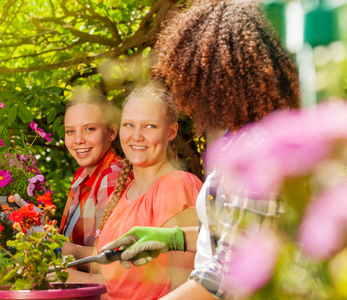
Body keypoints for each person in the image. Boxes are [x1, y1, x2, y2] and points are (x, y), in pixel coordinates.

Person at [101, 0, 300, 299]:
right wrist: (174, 238)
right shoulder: (242, 139)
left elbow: (224, 278)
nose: (186, 89)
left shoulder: (259, 152)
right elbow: (240, 236)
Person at [97, 82, 203, 299]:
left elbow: (185, 287)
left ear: (171, 131)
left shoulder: (176, 186)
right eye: (129, 125)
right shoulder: (124, 191)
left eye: (150, 126)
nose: (137, 136)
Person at [59, 87, 124, 271]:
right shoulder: (81, 176)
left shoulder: (113, 176)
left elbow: (114, 260)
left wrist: (60, 251)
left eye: (89, 129)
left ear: (111, 133)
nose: (78, 139)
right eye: (70, 131)